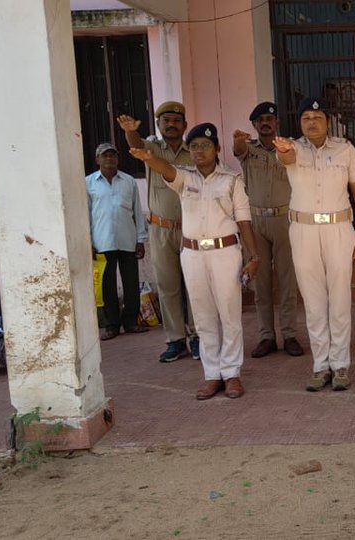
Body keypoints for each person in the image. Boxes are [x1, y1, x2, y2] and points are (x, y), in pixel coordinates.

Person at [130, 123, 261, 400]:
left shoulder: (232, 180)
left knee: (229, 315)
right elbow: (166, 169)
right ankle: (212, 375)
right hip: (192, 254)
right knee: (203, 316)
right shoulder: (184, 177)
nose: (199, 150)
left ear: (217, 149)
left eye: (205, 145)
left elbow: (244, 221)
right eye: (194, 146)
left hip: (225, 252)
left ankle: (232, 373)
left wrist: (254, 256)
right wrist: (149, 158)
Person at [274, 97, 355, 392]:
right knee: (314, 302)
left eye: (317, 117)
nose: (311, 122)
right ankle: (320, 365)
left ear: (328, 121)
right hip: (303, 230)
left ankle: (340, 365)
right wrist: (284, 150)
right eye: (306, 118)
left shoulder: (345, 148)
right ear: (300, 123)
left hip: (338, 228)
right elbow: (286, 158)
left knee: (339, 299)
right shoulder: (292, 147)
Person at [117, 102, 200, 363]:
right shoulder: (152, 149)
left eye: (176, 120)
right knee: (168, 286)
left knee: (195, 285)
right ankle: (175, 340)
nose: (172, 125)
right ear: (158, 125)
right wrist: (130, 131)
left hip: (192, 229)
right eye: (166, 121)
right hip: (161, 230)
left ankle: (198, 336)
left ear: (185, 125)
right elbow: (136, 145)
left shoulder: (194, 150)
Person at [232, 102, 306, 359]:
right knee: (260, 283)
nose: (265, 122)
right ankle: (266, 336)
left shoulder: (288, 148)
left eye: (269, 119)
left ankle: (289, 335)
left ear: (277, 123)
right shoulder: (248, 150)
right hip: (256, 223)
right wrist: (238, 139)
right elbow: (238, 149)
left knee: (287, 281)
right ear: (254, 124)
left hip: (284, 219)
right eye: (260, 119)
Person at [86, 143, 148, 341]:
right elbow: (85, 214)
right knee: (107, 285)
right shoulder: (88, 183)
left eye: (112, 155)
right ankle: (111, 325)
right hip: (101, 241)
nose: (109, 159)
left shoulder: (129, 181)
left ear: (118, 159)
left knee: (131, 282)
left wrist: (140, 239)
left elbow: (137, 211)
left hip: (127, 239)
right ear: (97, 159)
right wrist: (88, 242)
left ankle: (131, 321)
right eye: (104, 156)